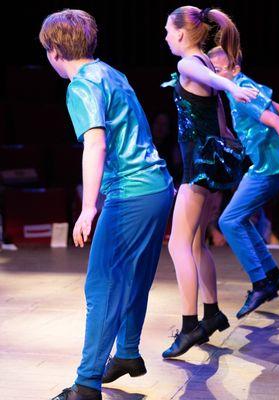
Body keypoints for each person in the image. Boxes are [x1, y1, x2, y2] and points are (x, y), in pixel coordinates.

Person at [39, 9, 174, 400]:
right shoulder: (111, 72)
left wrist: (88, 207)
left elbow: (95, 142)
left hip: (131, 194)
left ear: (54, 50)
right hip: (156, 188)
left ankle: (86, 384)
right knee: (133, 278)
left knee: (102, 285)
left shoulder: (81, 85)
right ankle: (128, 353)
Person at [162, 6, 258, 359]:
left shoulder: (190, 63)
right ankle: (213, 312)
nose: (166, 37)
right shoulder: (203, 62)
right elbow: (218, 119)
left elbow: (214, 86)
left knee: (178, 246)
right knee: (197, 243)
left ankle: (189, 327)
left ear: (182, 34)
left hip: (197, 169)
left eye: (168, 31)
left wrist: (231, 85)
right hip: (208, 164)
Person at [208, 45, 279, 319]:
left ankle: (261, 282)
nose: (214, 76)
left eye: (217, 71)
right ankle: (274, 275)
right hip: (267, 166)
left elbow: (277, 123)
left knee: (228, 221)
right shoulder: (242, 86)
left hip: (271, 168)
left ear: (234, 69)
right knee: (237, 218)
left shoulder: (243, 94)